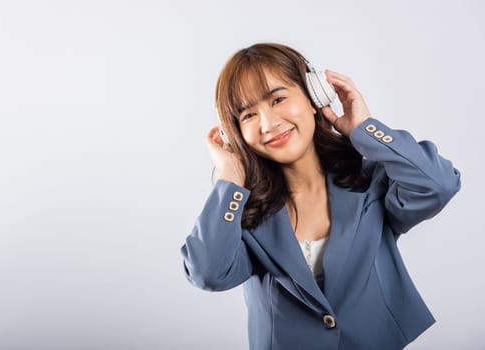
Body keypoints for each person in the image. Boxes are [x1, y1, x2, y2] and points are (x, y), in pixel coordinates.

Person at [180, 43, 461, 350]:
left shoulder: (370, 181)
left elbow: (438, 184)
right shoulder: (243, 214)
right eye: (248, 115)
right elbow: (208, 273)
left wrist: (365, 130)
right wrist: (230, 179)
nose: (267, 124)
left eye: (278, 99)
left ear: (314, 97)